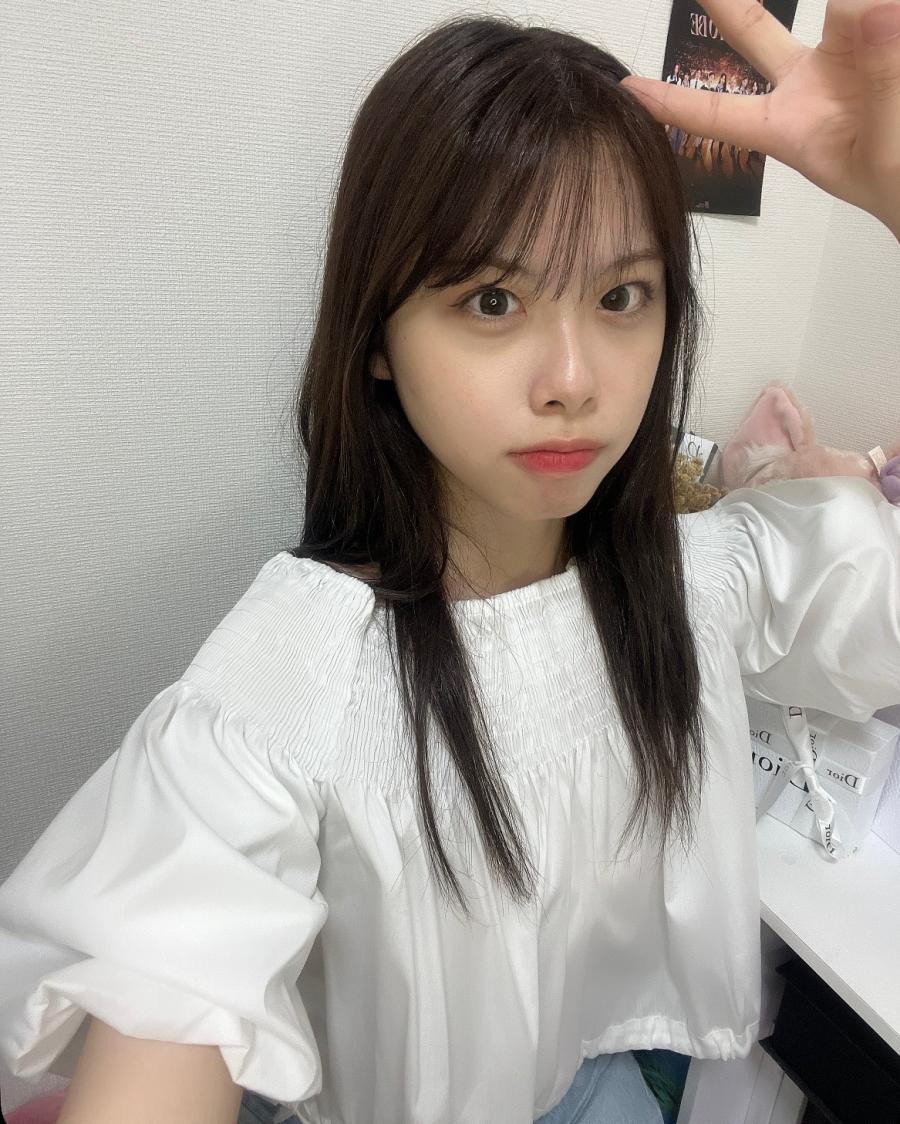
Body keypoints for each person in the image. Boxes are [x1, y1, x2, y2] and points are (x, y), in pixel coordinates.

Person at [0, 2, 898, 1123]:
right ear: (378, 335)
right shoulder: (287, 691)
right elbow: (167, 979)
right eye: (492, 299)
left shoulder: (695, 582)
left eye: (622, 296)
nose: (573, 379)